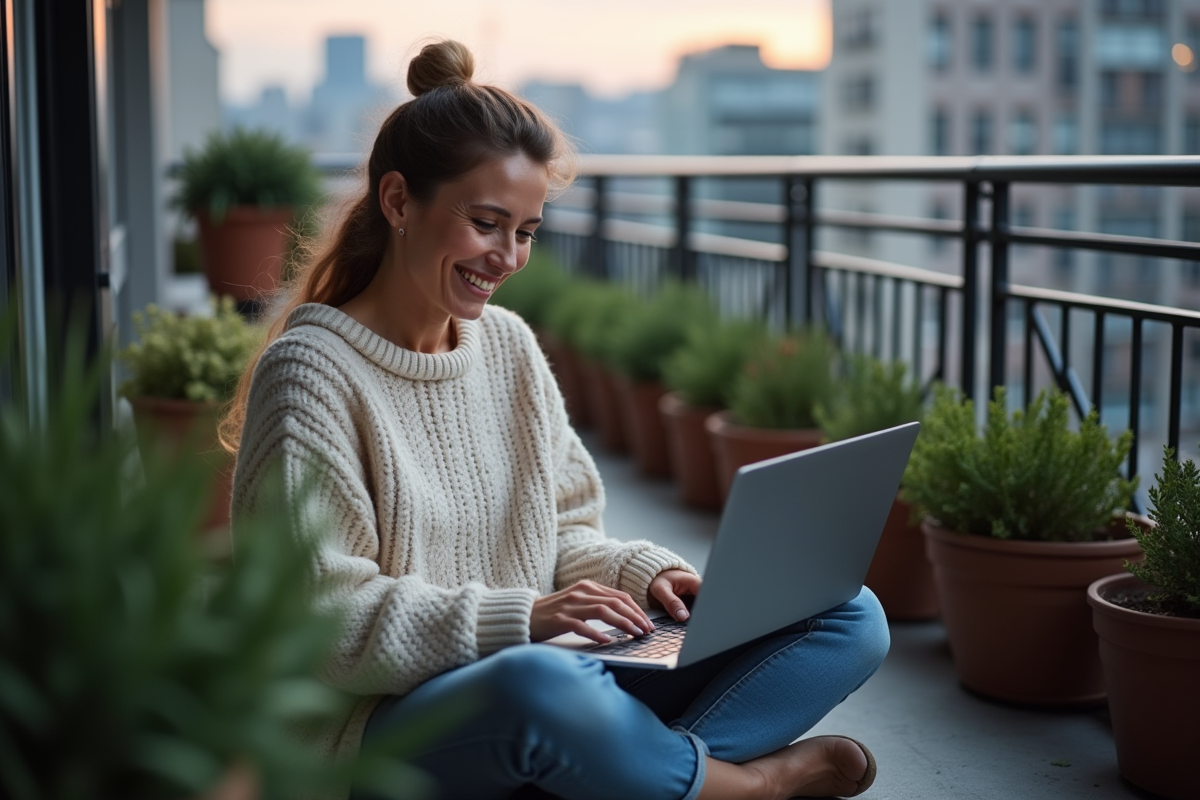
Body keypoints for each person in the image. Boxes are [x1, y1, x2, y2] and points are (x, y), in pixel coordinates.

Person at [224, 39, 890, 800]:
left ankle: (630, 769)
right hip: (381, 729)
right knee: (542, 688)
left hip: (544, 678)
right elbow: (320, 621)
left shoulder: (507, 345)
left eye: (527, 231)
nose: (508, 257)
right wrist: (524, 618)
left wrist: (647, 576)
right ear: (399, 201)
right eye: (486, 222)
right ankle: (747, 786)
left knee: (843, 611)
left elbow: (562, 531)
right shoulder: (311, 374)